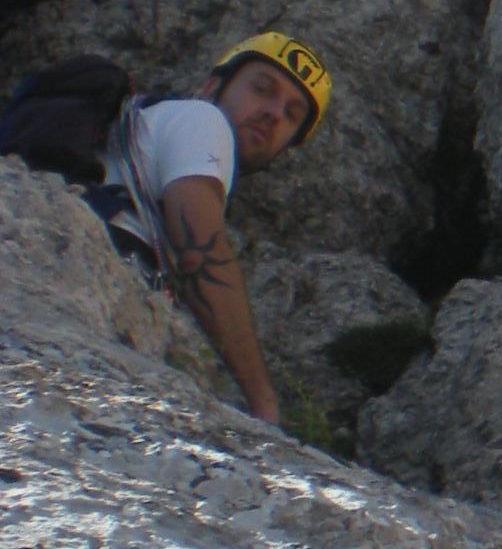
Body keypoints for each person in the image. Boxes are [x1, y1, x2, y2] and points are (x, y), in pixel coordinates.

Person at [89, 29, 333, 428]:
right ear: (211, 86)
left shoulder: (152, 123)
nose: (274, 113)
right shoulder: (203, 119)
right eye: (262, 89)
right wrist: (263, 404)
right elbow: (200, 253)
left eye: (291, 114)